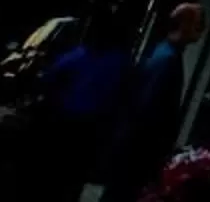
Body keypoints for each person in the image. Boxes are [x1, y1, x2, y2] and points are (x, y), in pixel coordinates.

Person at [100, 2, 206, 202]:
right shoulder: (168, 59)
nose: (201, 31)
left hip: (134, 147)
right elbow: (149, 108)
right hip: (139, 150)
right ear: (184, 24)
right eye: (198, 24)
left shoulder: (163, 52)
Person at [37, 14, 136, 200]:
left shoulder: (77, 56)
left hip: (64, 125)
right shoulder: (122, 63)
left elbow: (49, 81)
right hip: (93, 132)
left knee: (51, 180)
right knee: (73, 183)